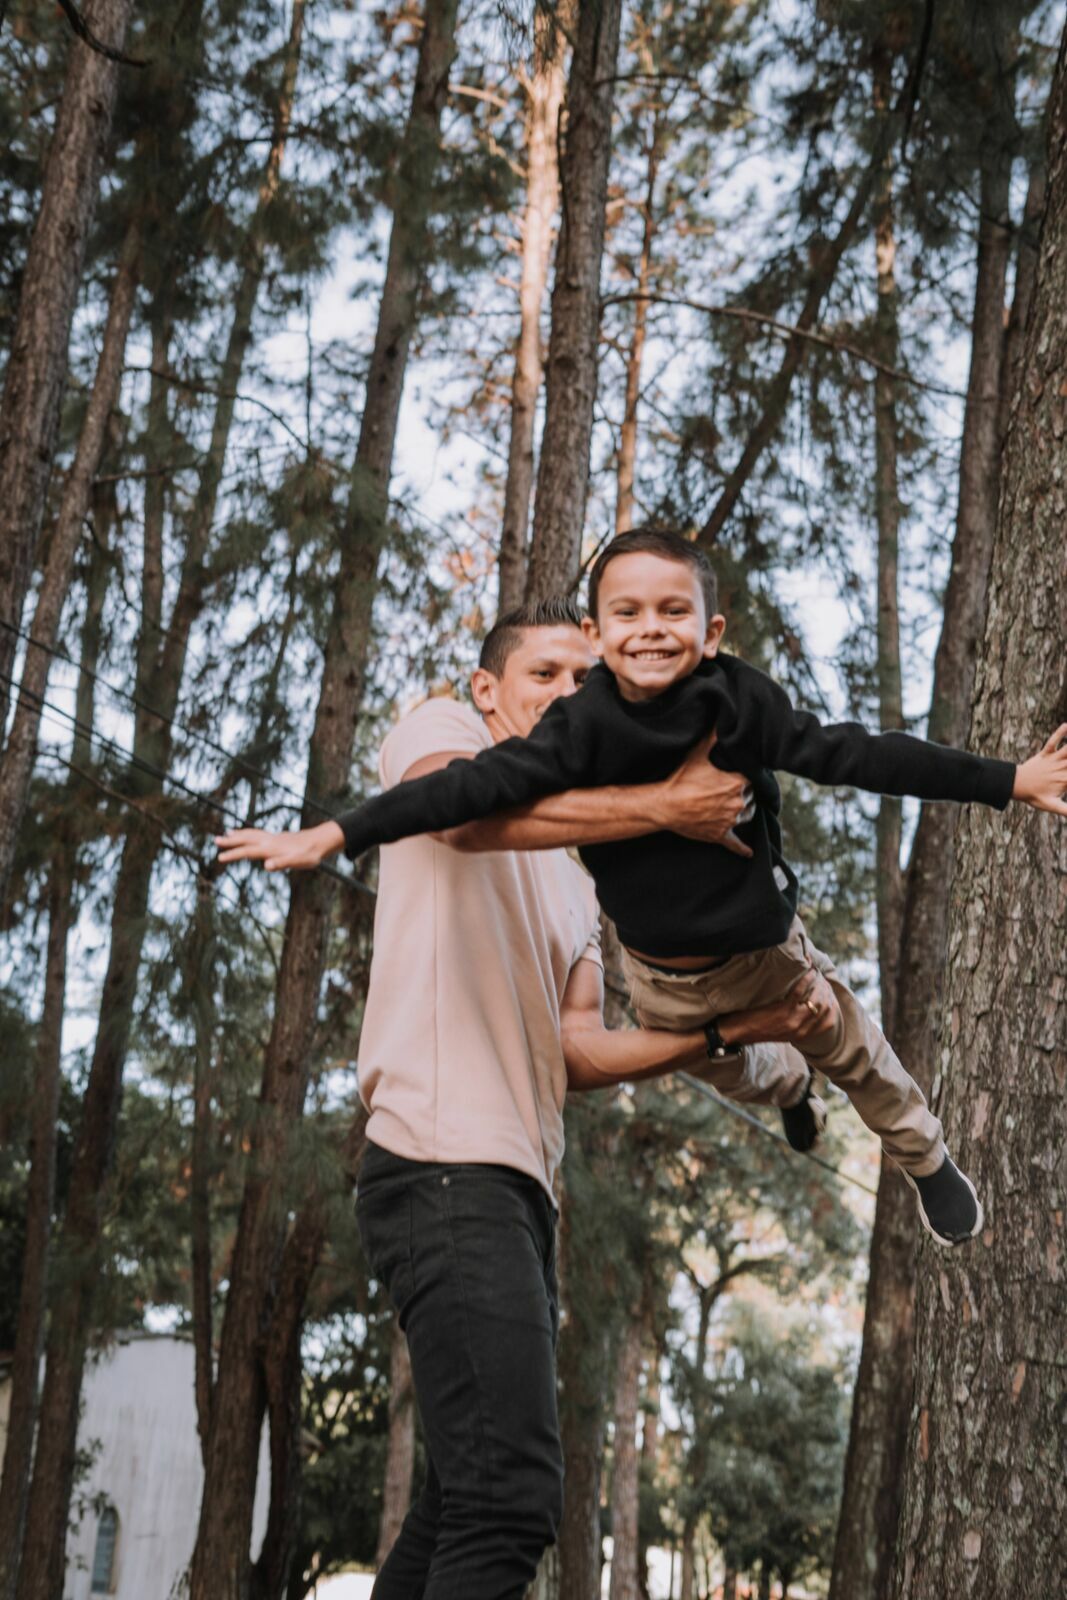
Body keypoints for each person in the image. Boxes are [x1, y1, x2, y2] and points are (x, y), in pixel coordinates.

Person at [216, 597, 839, 1599]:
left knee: (457, 1504)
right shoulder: (442, 729)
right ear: (487, 689)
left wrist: (726, 1033)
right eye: (542, 674)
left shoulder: (574, 875)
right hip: (438, 1157)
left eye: (580, 682)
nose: (564, 694)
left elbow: (577, 1049)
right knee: (510, 1499)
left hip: (514, 1186)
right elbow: (457, 815)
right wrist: (661, 807)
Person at [327, 530, 1067, 1250]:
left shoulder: (729, 706)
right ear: (599, 631)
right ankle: (792, 1091)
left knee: (852, 1051)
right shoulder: (564, 739)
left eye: (670, 613)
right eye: (547, 675)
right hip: (663, 981)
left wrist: (1007, 780)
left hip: (761, 950)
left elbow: (856, 753)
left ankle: (925, 1157)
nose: (568, 692)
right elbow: (467, 802)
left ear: (708, 631)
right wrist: (341, 832)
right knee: (748, 1069)